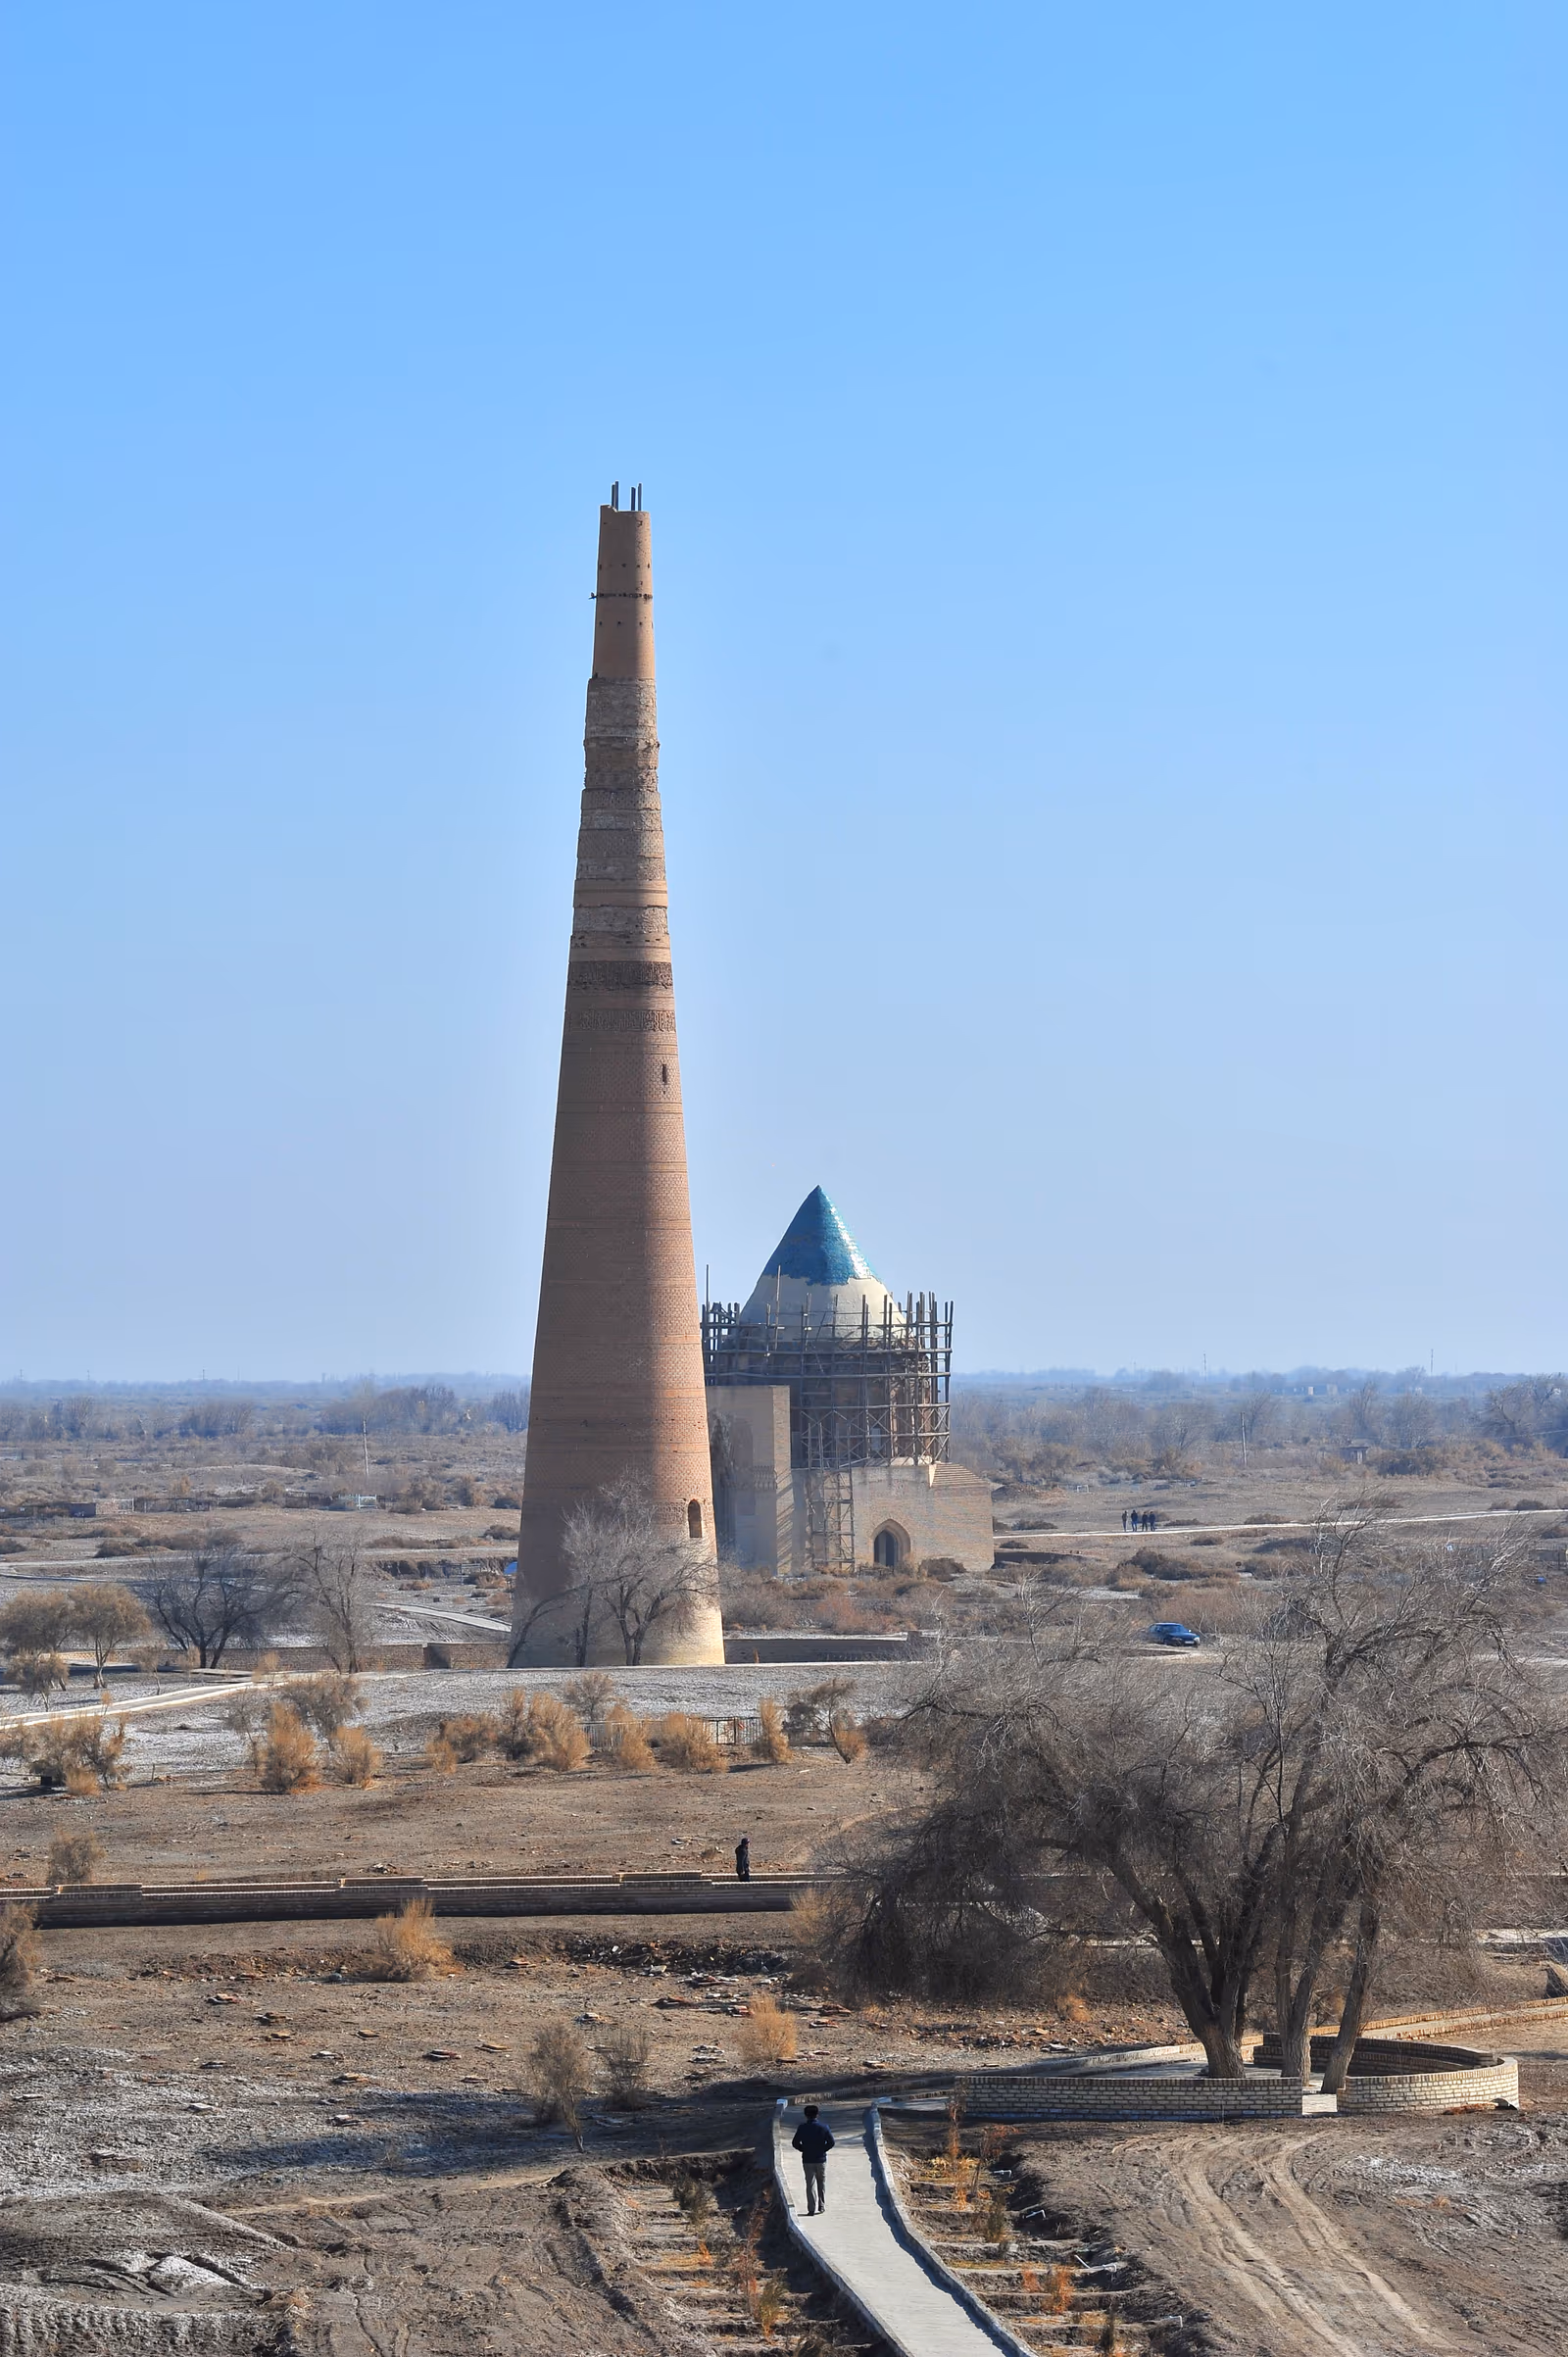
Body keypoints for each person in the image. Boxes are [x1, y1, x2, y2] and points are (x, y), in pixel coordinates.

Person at [792, 2102, 834, 2214]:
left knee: (810, 2184)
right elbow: (831, 2142)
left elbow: (795, 2143)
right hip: (821, 2159)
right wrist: (823, 2150)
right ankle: (821, 2206)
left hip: (807, 2159)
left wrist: (803, 2149)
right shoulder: (824, 2127)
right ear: (817, 2115)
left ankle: (811, 2208)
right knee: (821, 2182)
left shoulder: (802, 2128)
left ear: (806, 2115)